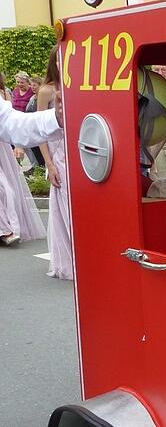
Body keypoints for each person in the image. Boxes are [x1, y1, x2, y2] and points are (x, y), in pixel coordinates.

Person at [36, 51, 72, 279]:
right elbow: (39, 130)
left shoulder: (75, 86)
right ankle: (71, 259)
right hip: (57, 151)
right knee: (66, 207)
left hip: (75, 149)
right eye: (60, 59)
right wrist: (49, 164)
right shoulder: (46, 90)